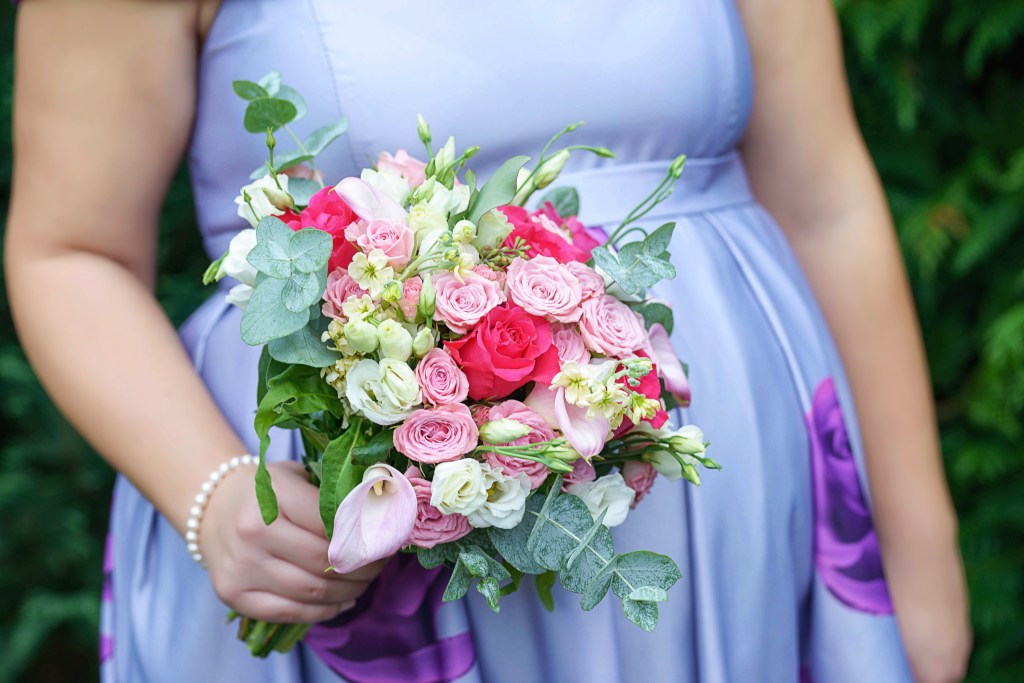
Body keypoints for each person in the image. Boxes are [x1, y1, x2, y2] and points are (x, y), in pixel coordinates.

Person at [6, 0, 972, 681]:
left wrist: (918, 569)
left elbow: (826, 204)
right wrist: (213, 496)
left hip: (732, 538)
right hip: (362, 572)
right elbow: (69, 249)